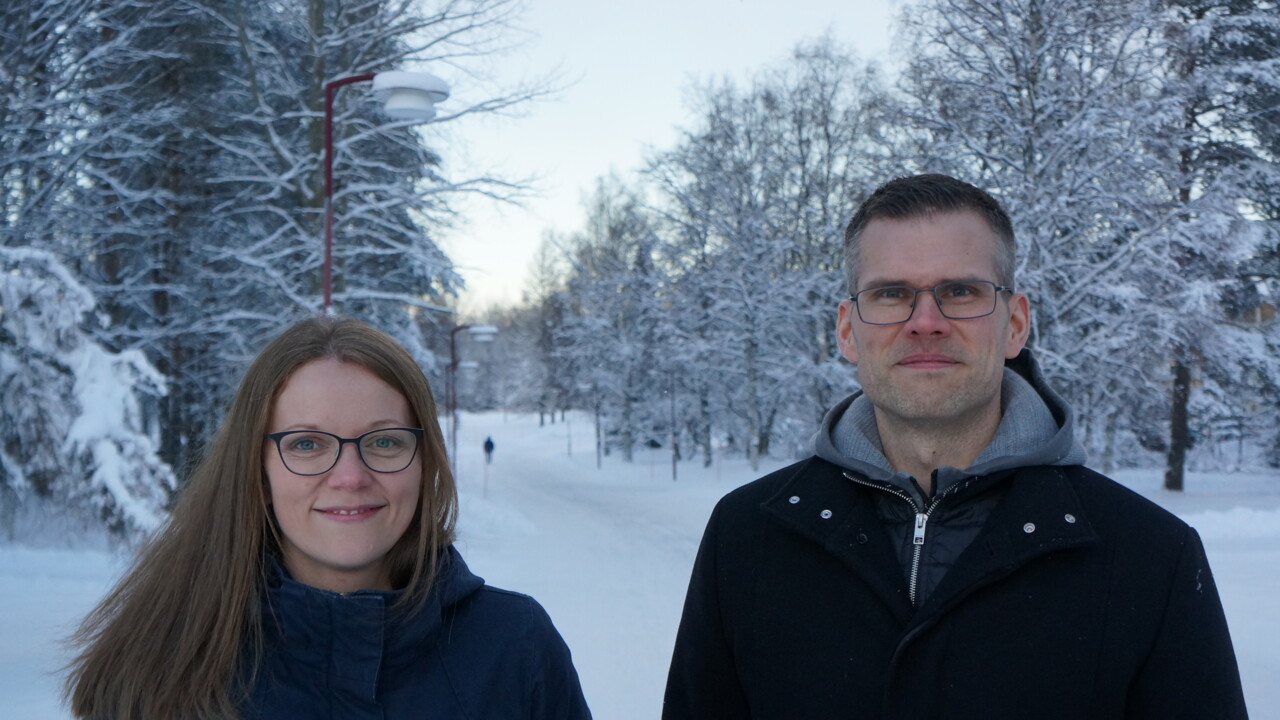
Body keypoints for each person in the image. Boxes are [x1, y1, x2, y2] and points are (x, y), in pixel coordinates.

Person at [662, 174, 1248, 719]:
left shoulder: (1150, 557)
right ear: (847, 329)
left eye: (961, 291)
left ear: (1015, 323)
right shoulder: (748, 536)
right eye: (891, 293)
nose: (925, 322)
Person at [65, 315, 591, 720]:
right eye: (308, 443)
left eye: (384, 441)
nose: (350, 476)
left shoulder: (514, 647)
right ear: (257, 471)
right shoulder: (165, 662)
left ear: (425, 460)